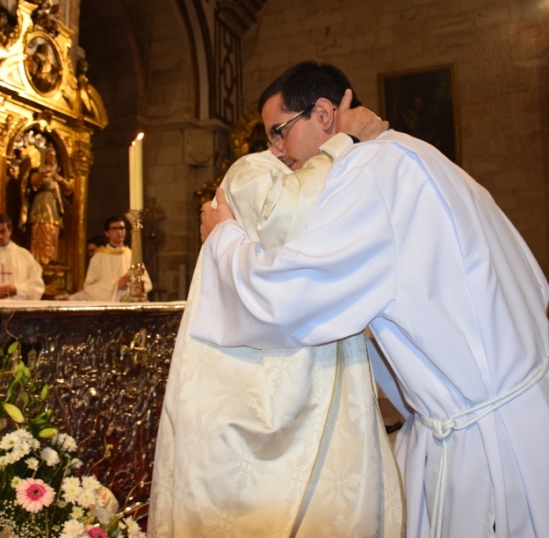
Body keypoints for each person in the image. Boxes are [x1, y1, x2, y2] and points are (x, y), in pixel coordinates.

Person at [195, 61, 549, 538]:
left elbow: (292, 294)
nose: (275, 152)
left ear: (323, 113)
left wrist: (223, 240)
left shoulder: (369, 170)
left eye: (278, 132)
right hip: (520, 413)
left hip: (489, 451)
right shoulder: (412, 152)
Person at [148, 129, 404, 535]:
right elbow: (285, 218)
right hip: (255, 365)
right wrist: (342, 146)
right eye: (281, 133)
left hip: (284, 353)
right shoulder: (252, 170)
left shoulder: (277, 176)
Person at [83, 216, 152, 301]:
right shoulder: (98, 258)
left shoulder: (133, 256)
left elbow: (147, 284)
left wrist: (135, 285)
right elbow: (89, 288)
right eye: (114, 229)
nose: (119, 232)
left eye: (122, 228)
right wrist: (116, 286)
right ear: (107, 233)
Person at [26, 146, 73, 264]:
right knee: (41, 228)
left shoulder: (56, 173)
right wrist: (43, 174)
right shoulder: (38, 170)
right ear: (44, 157)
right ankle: (38, 258)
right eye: (50, 155)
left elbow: (69, 190)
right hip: (41, 202)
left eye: (54, 156)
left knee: (53, 230)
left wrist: (60, 179)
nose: (52, 158)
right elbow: (33, 185)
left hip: (54, 205)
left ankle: (51, 258)